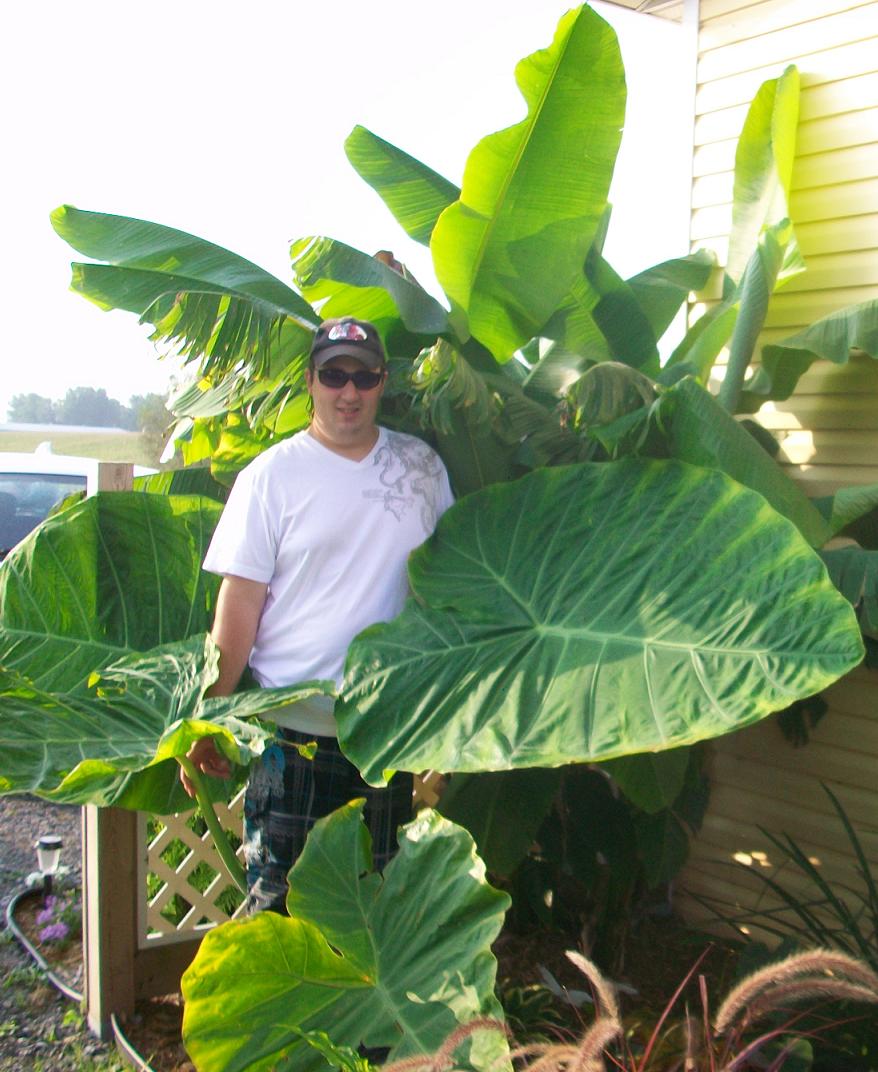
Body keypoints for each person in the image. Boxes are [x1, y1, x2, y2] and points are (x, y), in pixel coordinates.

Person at [181, 316, 454, 913]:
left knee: (369, 917)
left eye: (364, 376)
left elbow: (445, 590)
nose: (349, 391)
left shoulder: (422, 471)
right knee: (280, 912)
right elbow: (240, 607)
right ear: (311, 381)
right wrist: (208, 717)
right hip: (291, 741)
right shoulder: (270, 478)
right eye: (334, 375)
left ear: (383, 383)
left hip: (385, 738)